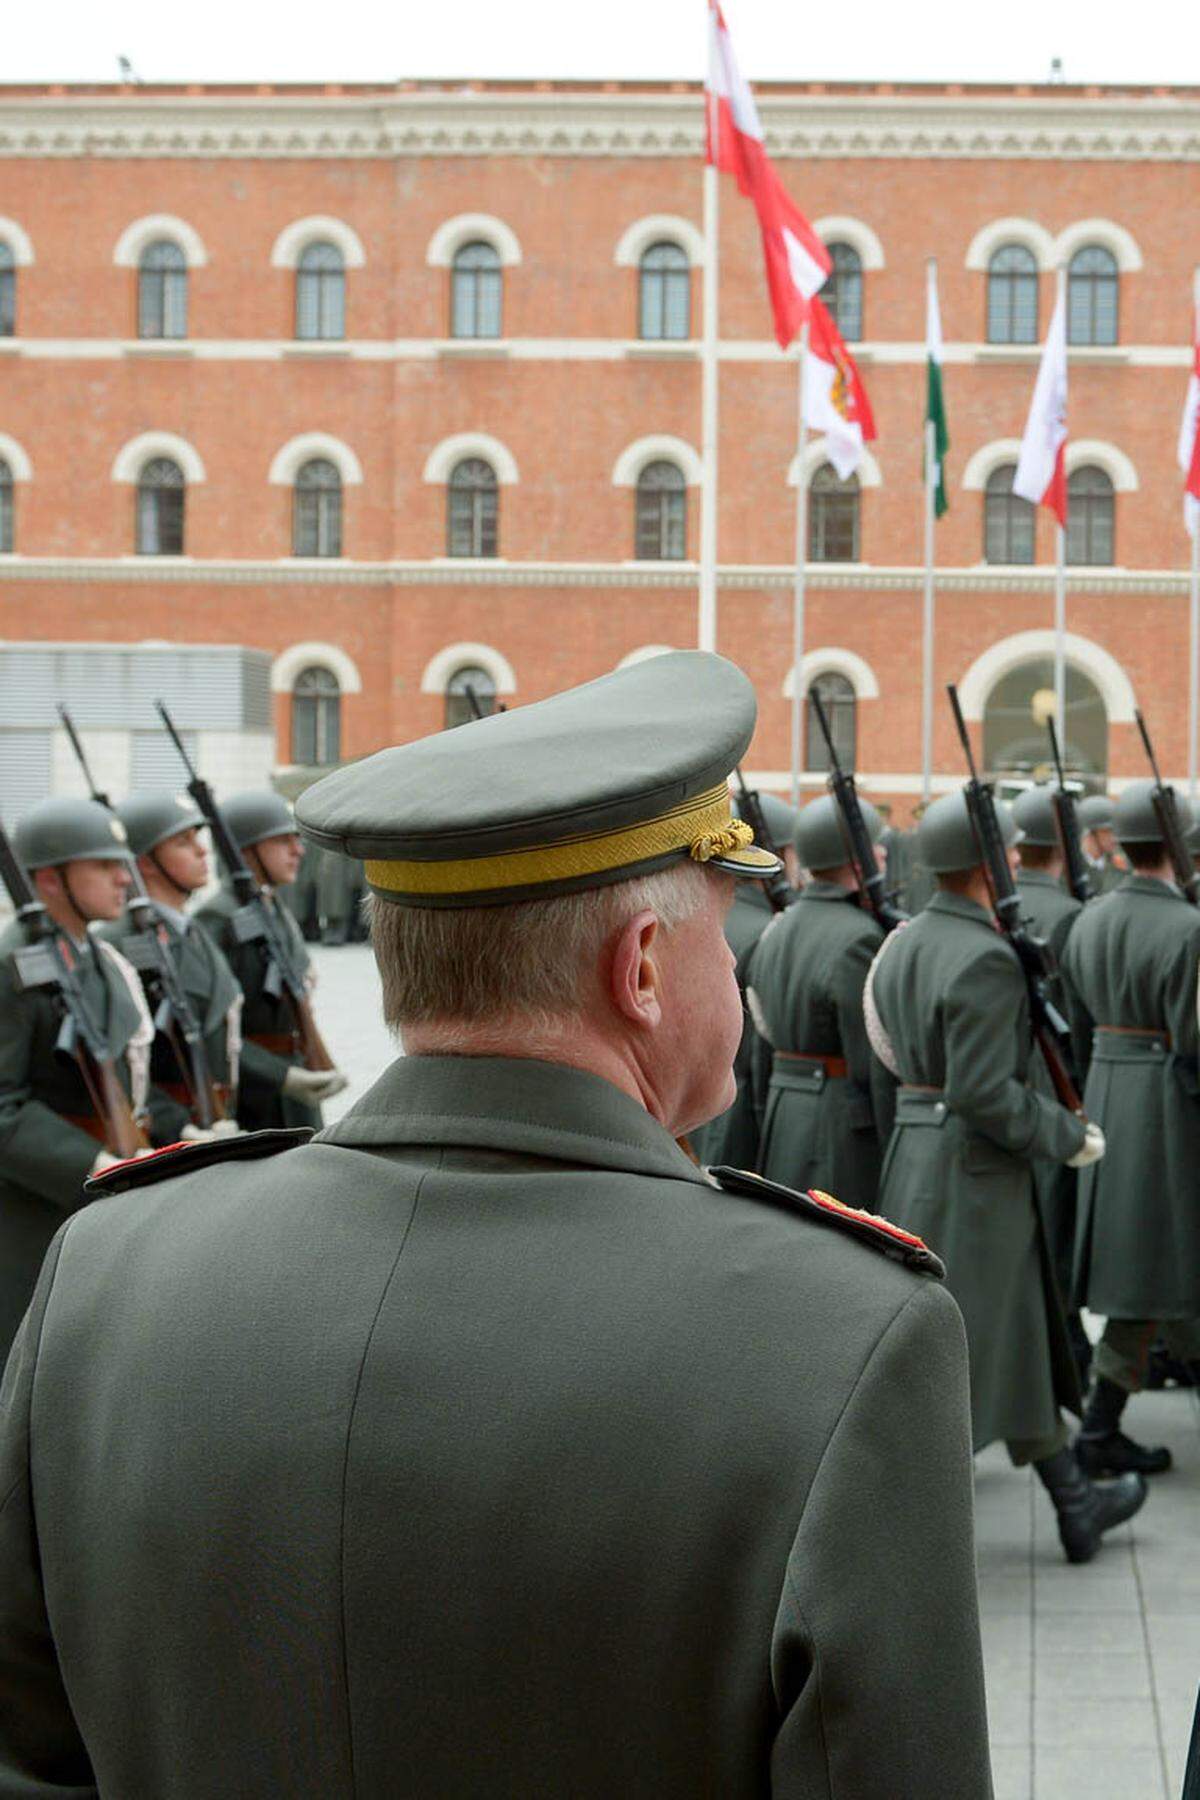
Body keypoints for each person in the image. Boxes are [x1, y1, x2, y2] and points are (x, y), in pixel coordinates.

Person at [0, 652, 992, 1798]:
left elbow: (31, 1754)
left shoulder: (109, 1270)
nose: (736, 962)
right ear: (643, 969)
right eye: (723, 928)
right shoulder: (850, 1335)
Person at [867, 789, 1146, 1563]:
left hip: (920, 1157)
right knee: (957, 1359)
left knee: (1012, 1339)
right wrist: (1066, 1134)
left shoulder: (907, 939)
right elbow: (985, 1091)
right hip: (974, 1176)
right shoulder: (984, 956)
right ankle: (903, 1537)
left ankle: (1075, 1505)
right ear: (992, 864)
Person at [1060, 780, 1200, 1476]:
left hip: (1109, 1093)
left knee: (1151, 1266)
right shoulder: (1188, 927)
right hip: (1170, 1107)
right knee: (1164, 1262)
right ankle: (1098, 1428)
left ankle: (1101, 1424)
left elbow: (1078, 1028)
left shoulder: (1088, 919)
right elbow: (1193, 1039)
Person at [0, 796, 153, 1361]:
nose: (123, 877)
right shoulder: (12, 960)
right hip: (33, 1215)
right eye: (102, 865)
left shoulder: (91, 954)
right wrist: (90, 1161)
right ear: (50, 880)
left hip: (95, 1202)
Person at [746, 792, 895, 1208]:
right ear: (856, 858)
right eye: (874, 845)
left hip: (783, 1113)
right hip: (837, 1126)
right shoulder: (860, 937)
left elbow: (762, 1045)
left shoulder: (777, 928)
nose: (882, 853)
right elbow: (869, 1064)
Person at [194, 790, 346, 1130]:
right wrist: (282, 1075)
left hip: (295, 1079)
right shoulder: (218, 917)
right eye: (282, 841)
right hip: (256, 1095)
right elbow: (214, 1028)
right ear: (245, 851)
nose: (298, 850)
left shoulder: (271, 905)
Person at [98, 790, 243, 1145]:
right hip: (167, 1136)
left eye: (198, 838)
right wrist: (175, 1123)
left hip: (215, 1118)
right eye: (183, 842)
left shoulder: (190, 929)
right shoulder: (119, 943)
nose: (202, 850)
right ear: (145, 863)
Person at [1011, 784, 1092, 1387]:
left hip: (1019, 1079)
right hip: (1058, 1081)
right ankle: (1068, 1355)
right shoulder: (1069, 915)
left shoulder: (1007, 905)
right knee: (1059, 1228)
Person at [688, 788, 797, 1169]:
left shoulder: (694, 924)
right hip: (739, 1118)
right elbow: (759, 1056)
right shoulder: (766, 934)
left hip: (693, 1111)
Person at [1078, 793, 1127, 895]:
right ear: (1090, 833)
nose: (1115, 838)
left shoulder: (1121, 866)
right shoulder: (1070, 869)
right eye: (1108, 831)